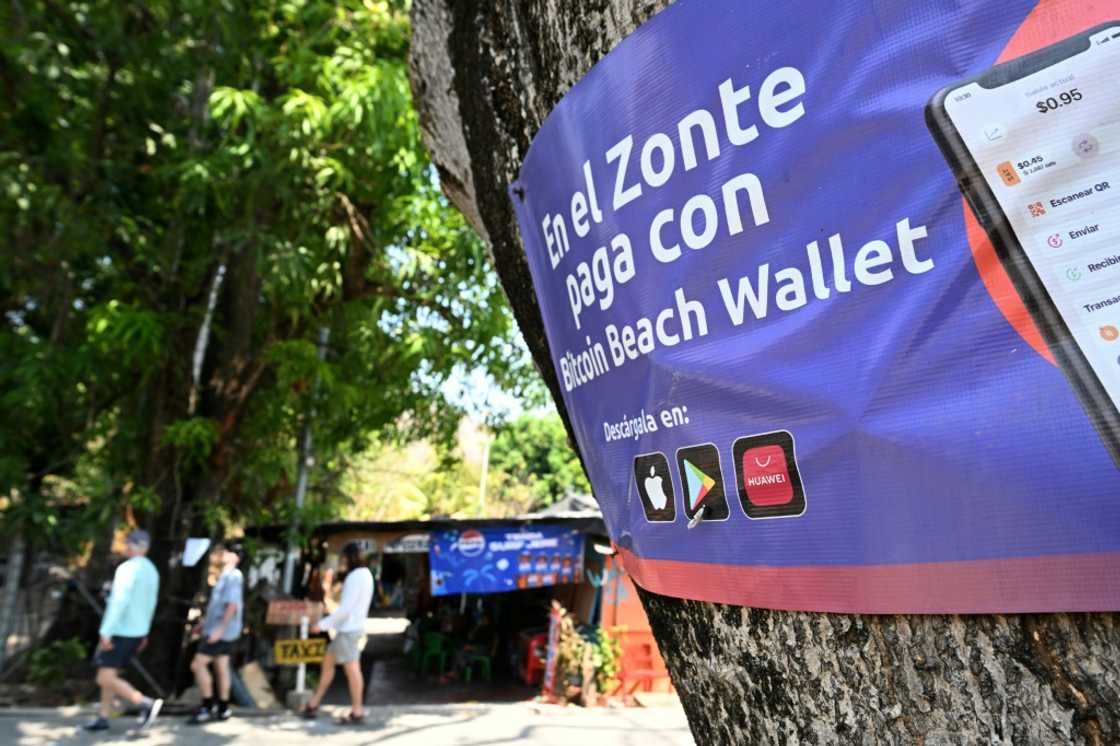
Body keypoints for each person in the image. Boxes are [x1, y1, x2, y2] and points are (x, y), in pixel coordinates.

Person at [83, 529, 163, 733]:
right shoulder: (152, 570)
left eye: (127, 543)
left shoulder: (127, 569)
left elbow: (119, 602)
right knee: (108, 674)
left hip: (120, 631)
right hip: (136, 632)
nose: (125, 547)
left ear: (132, 545)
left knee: (104, 678)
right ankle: (103, 717)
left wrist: (106, 632)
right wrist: (145, 632)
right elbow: (151, 604)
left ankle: (145, 703)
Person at [300, 544, 373, 724]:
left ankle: (357, 711)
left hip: (348, 630)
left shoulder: (355, 577)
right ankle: (313, 703)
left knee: (352, 669)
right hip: (350, 629)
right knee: (328, 663)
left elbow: (345, 610)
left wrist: (322, 625)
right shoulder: (366, 574)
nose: (342, 562)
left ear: (349, 558)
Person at [188, 542, 245, 724]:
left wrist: (219, 630)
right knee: (221, 666)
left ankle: (207, 705)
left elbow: (232, 605)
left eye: (227, 552)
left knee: (198, 664)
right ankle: (223, 706)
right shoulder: (225, 575)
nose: (223, 554)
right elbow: (218, 606)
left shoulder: (233, 576)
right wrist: (204, 624)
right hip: (217, 629)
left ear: (235, 557)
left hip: (222, 631)